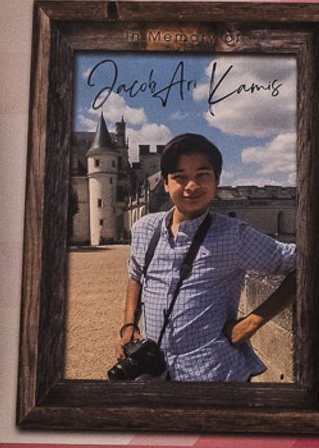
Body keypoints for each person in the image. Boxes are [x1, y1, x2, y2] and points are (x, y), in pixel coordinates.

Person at [115, 133, 296, 381]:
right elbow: (135, 276)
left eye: (202, 175)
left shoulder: (234, 236)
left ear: (216, 181)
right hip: (152, 372)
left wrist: (251, 324)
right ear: (166, 184)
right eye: (180, 177)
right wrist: (129, 327)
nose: (191, 186)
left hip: (211, 373)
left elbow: (303, 264)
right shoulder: (145, 229)